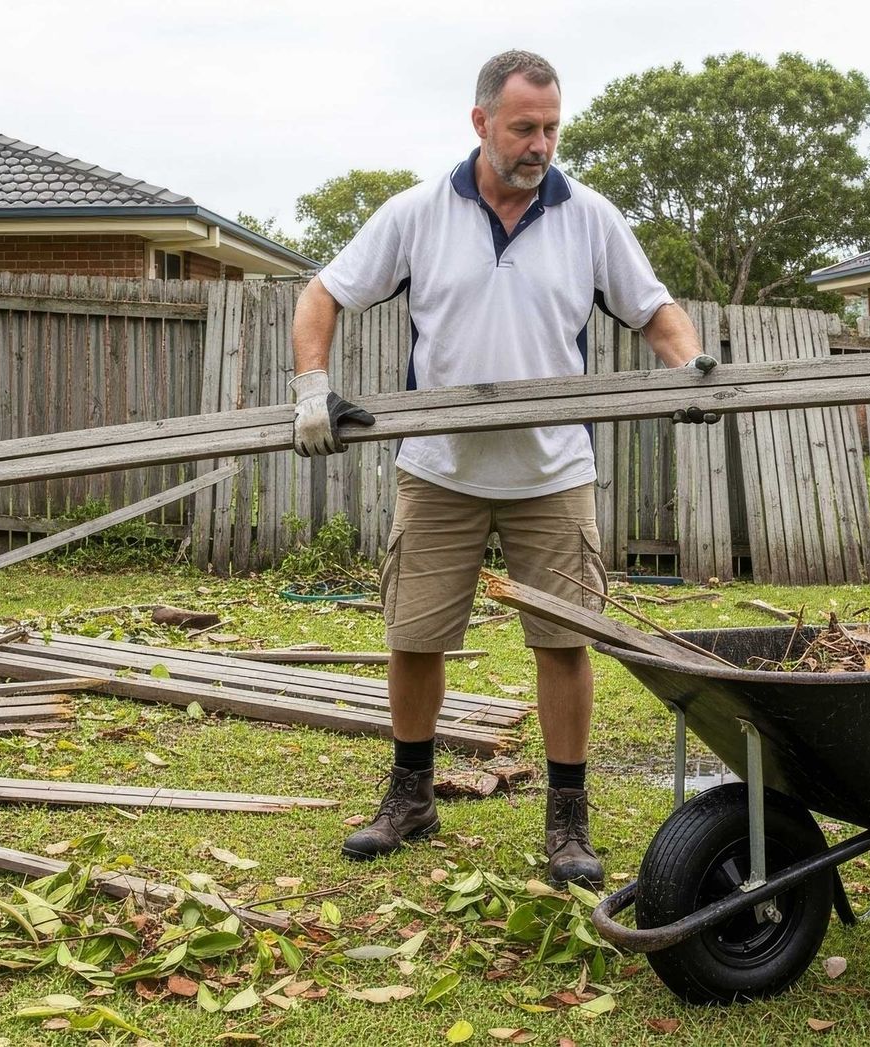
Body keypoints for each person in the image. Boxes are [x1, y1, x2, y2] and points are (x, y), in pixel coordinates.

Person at [289, 49, 717, 887]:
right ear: (480, 121)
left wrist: (691, 369)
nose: (540, 144)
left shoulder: (590, 217)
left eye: (552, 128)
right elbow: (322, 293)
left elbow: (656, 310)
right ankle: (409, 796)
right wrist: (312, 388)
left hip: (553, 472)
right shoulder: (417, 212)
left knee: (562, 643)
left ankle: (567, 822)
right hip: (439, 469)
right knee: (415, 637)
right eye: (524, 127)